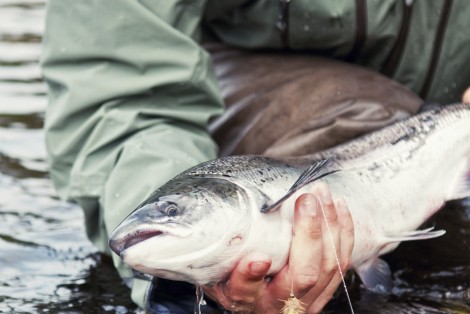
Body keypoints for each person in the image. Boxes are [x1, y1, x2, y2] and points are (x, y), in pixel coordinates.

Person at [41, 1, 469, 313]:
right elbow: (120, 98)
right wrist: (181, 291)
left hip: (434, 123)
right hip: (270, 108)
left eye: (171, 210)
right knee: (369, 112)